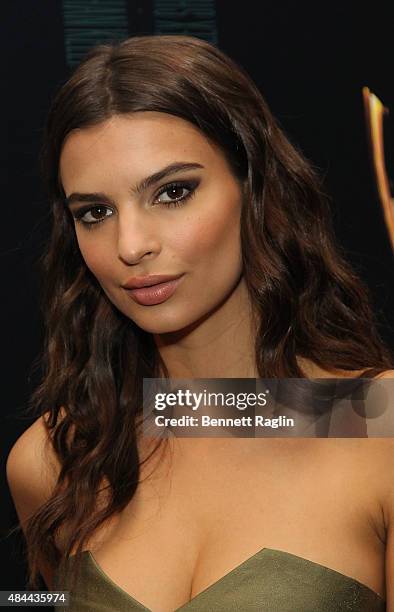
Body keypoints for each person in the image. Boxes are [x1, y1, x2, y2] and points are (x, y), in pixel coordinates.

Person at [6, 34, 394, 611]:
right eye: (96, 212)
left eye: (173, 192)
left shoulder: (377, 424)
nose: (130, 245)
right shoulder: (57, 456)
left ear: (255, 186)